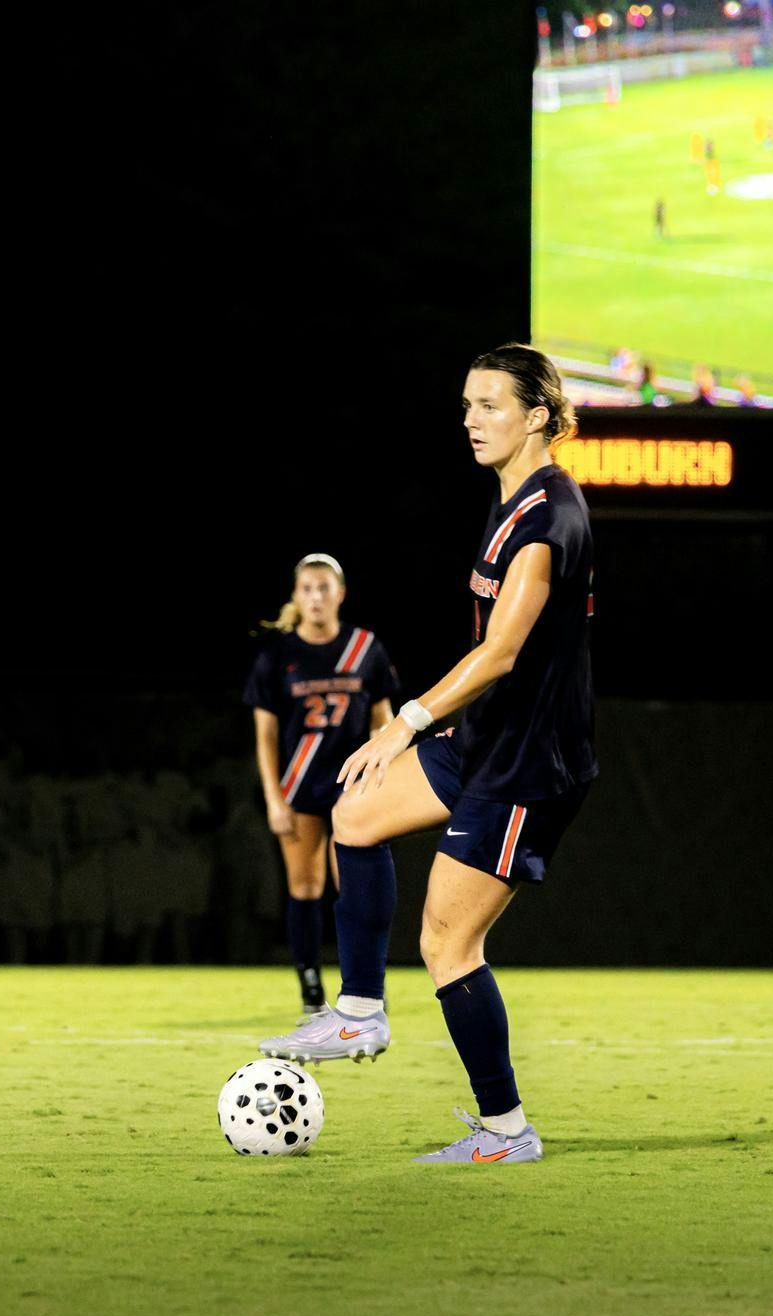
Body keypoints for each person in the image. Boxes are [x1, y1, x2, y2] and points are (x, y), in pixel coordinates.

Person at [255, 345, 599, 1167]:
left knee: (447, 946)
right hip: (488, 742)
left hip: (528, 766)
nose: (472, 418)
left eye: (490, 405)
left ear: (538, 415)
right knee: (357, 810)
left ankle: (506, 1131)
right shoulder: (510, 496)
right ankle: (360, 1010)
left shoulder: (551, 515)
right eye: (468, 404)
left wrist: (405, 719)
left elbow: (502, 652)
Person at [244, 554, 401, 1013]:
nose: (316, 597)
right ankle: (311, 988)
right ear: (295, 596)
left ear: (340, 594)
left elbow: (383, 720)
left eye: (324, 588)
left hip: (351, 785)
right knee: (305, 887)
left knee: (354, 886)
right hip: (300, 785)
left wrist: (382, 771)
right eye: (307, 589)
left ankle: (366, 986)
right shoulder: (278, 655)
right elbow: (266, 736)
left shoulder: (364, 647)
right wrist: (274, 799)